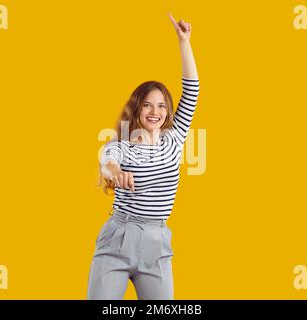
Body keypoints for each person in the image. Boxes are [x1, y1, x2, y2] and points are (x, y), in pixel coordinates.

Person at [87, 12, 200, 300]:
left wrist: (183, 42)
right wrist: (114, 172)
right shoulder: (123, 144)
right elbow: (107, 157)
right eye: (147, 105)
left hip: (156, 243)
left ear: (168, 112)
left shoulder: (174, 140)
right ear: (137, 109)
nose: (155, 112)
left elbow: (192, 90)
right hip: (118, 239)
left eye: (161, 106)